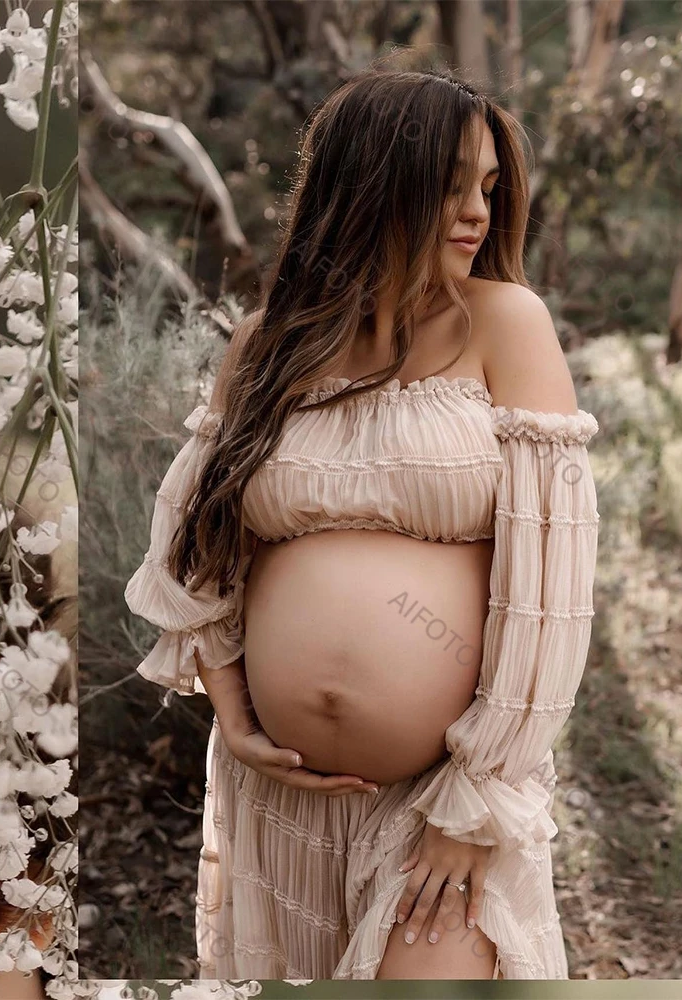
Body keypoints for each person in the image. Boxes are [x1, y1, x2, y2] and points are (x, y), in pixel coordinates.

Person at [124, 66, 600, 980]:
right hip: (280, 803)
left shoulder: (508, 323)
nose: (477, 212)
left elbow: (555, 583)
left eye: (491, 189)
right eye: (452, 184)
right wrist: (233, 712)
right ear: (372, 183)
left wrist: (476, 802)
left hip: (444, 803)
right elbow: (201, 546)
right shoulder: (269, 344)